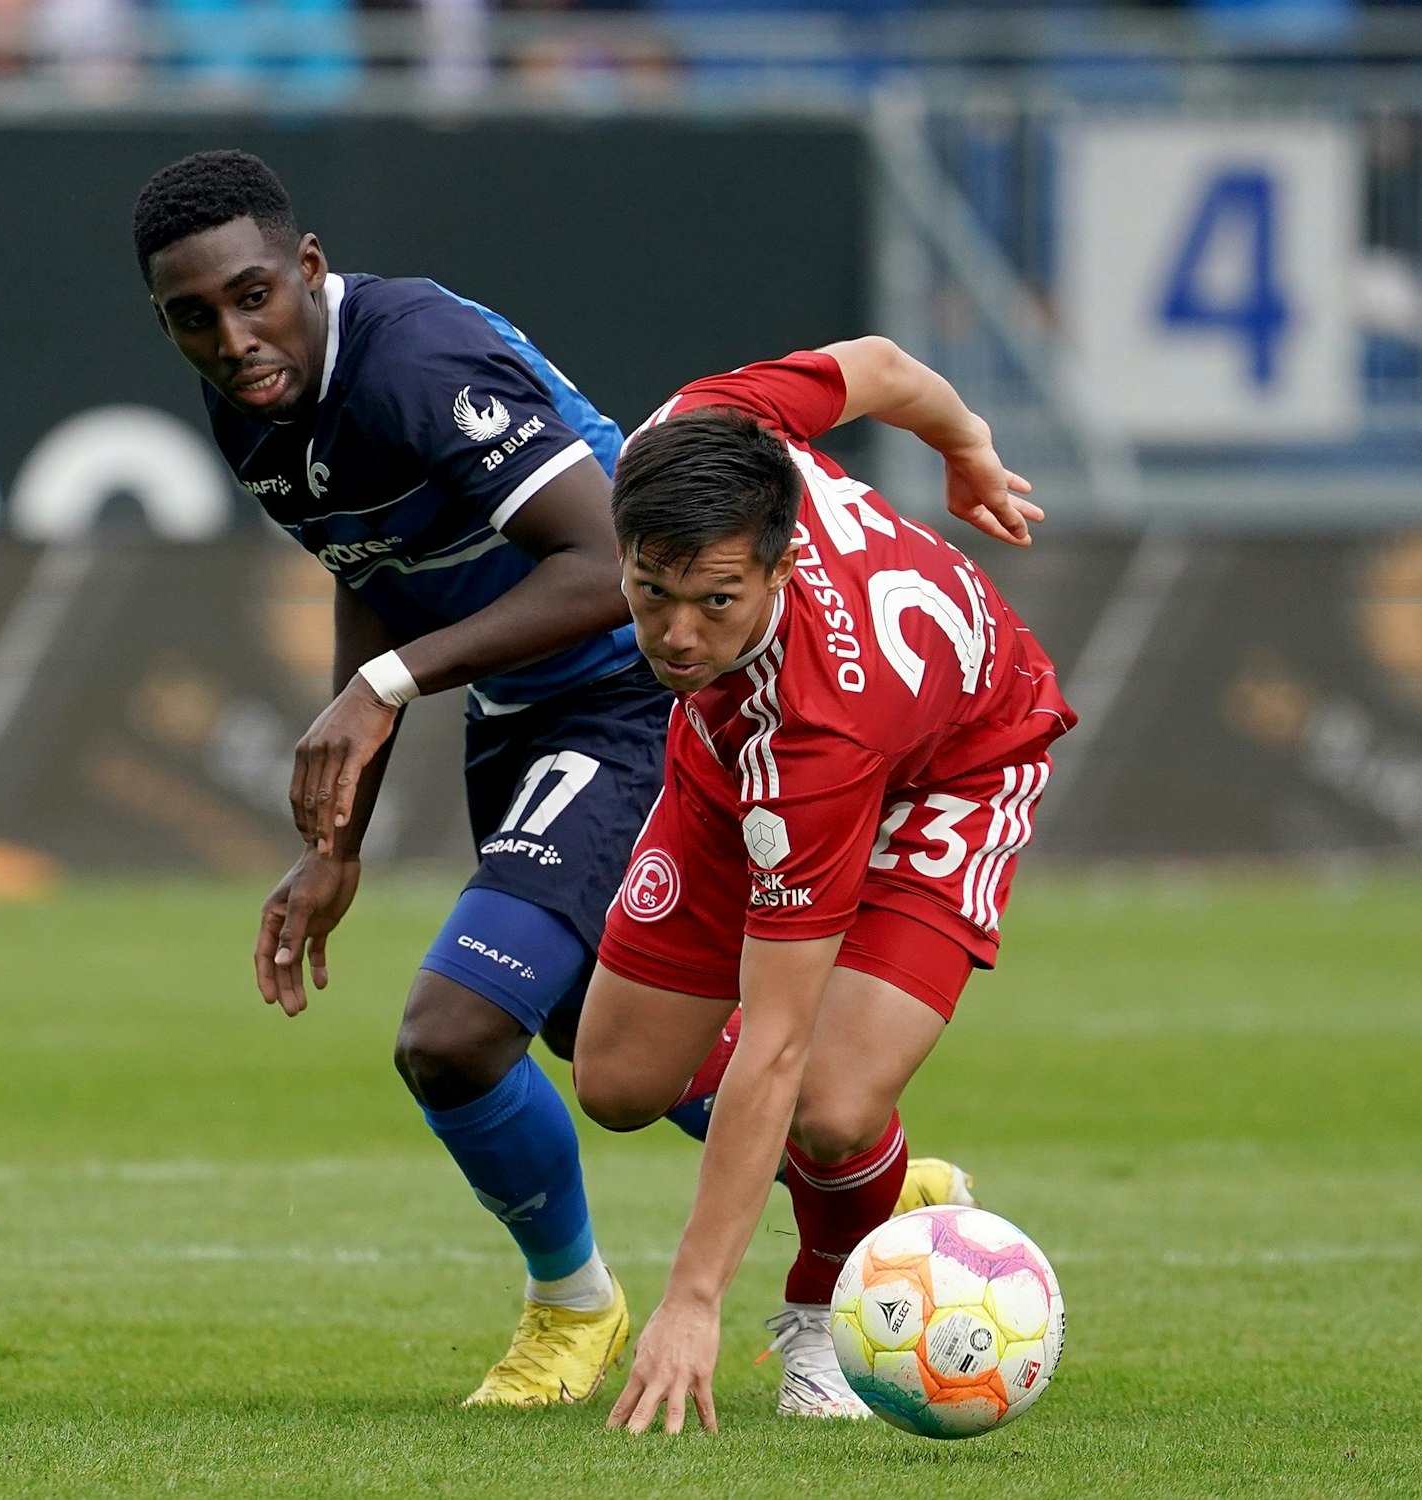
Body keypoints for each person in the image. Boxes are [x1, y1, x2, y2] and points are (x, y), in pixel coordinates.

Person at [130, 150, 976, 1408]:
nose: (232, 336)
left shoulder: (415, 360)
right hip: (529, 706)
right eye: (192, 318)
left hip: (638, 684)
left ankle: (572, 1308)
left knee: (454, 1031)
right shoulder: (256, 406)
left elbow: (598, 561)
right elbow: (373, 564)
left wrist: (384, 690)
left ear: (308, 268)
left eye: (253, 296)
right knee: (600, 1035)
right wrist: (338, 844)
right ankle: (856, 1172)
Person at [570, 339, 1074, 1432]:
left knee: (830, 1104)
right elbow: (882, 366)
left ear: (781, 565)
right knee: (612, 1081)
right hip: (734, 757)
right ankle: (885, 1185)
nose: (672, 633)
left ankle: (819, 1309)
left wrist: (691, 1298)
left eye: (713, 600)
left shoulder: (817, 738)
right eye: (648, 591)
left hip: (954, 763)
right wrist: (964, 444)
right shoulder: (690, 429)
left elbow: (776, 1043)